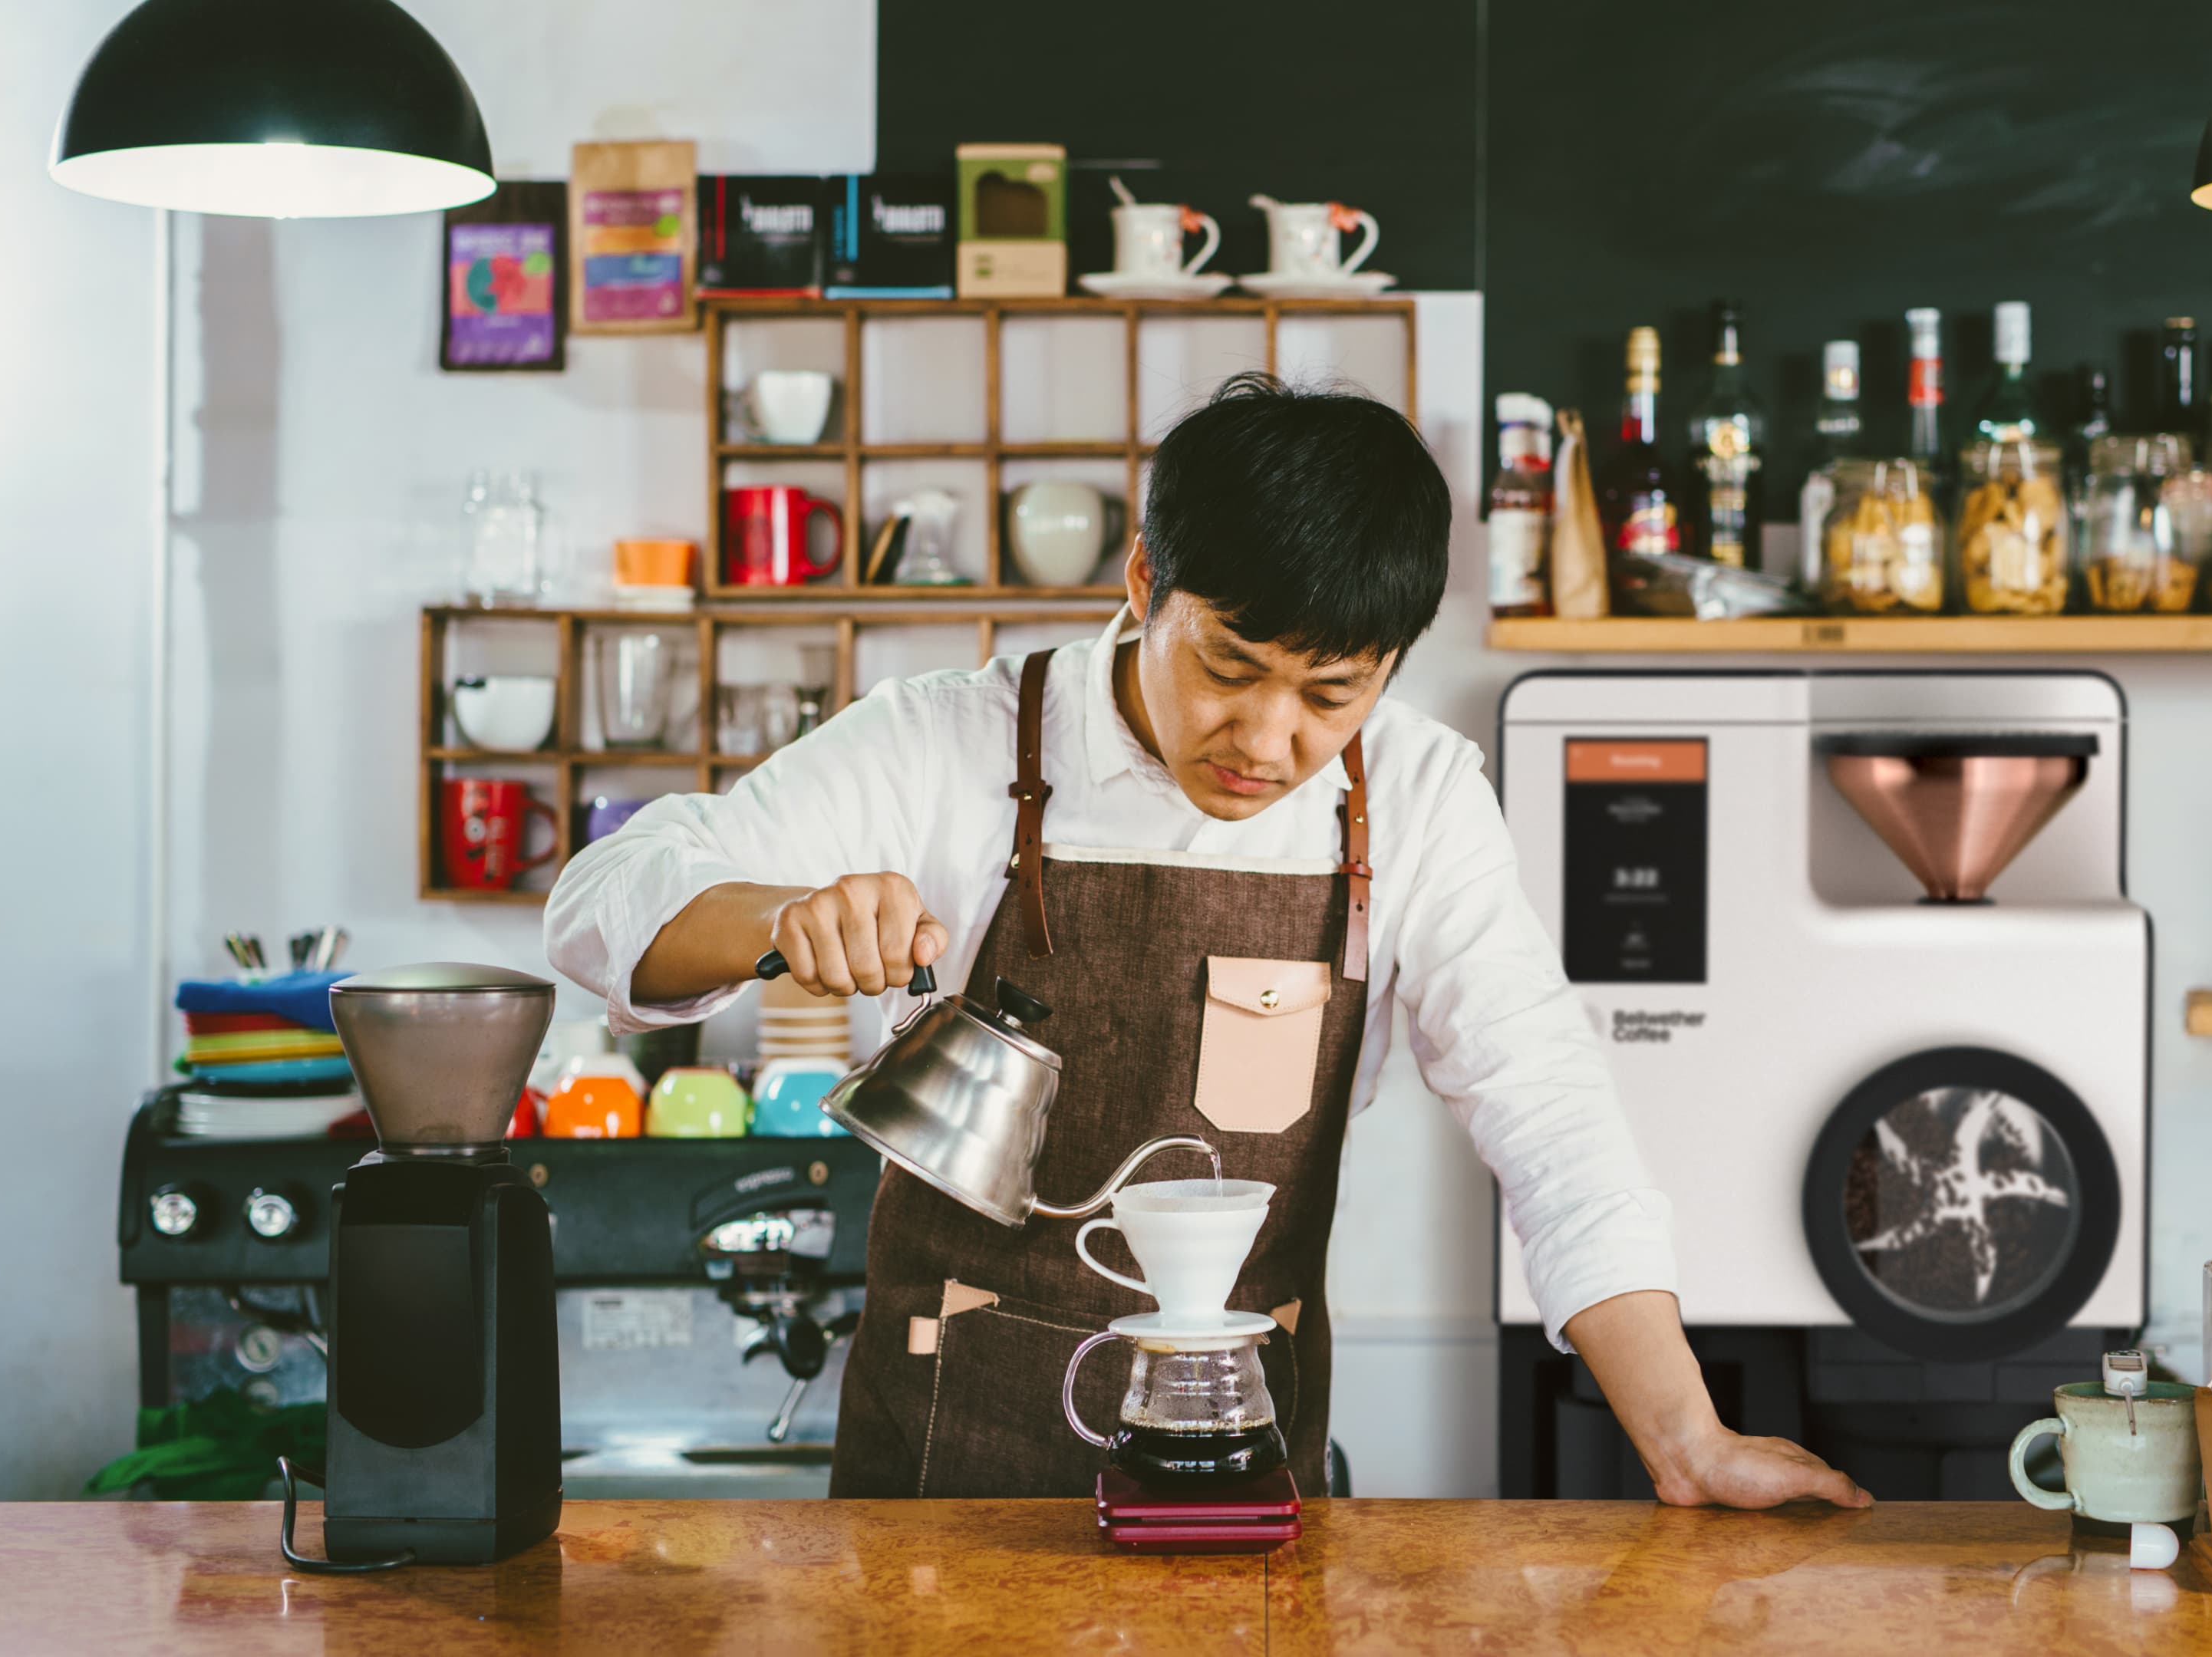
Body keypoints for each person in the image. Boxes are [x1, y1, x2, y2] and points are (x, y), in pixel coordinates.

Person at [546, 374, 1868, 1509]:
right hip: (939, 1476)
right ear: (1143, 582)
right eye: (1230, 667)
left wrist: (1684, 1438)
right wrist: (773, 921)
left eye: (1331, 695)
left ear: (1392, 668)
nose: (1269, 742)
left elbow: (1547, 1106)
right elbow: (604, 901)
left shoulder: (1414, 796)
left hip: (1237, 1457)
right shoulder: (950, 741)